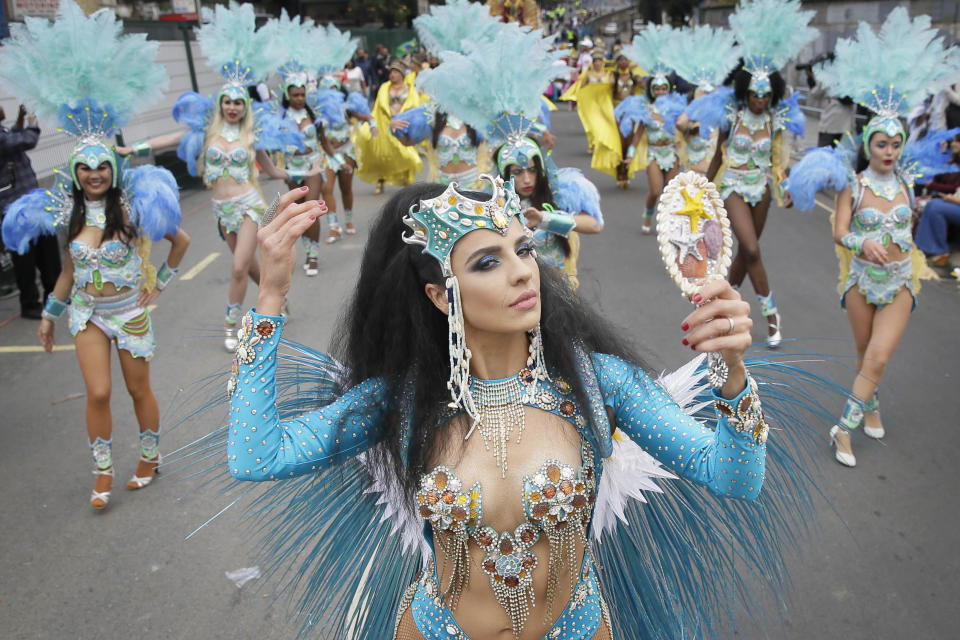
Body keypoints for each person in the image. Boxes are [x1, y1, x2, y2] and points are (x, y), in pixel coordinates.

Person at [0, 0, 189, 508]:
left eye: (100, 165)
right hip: (87, 315)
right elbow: (67, 271)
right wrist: (49, 317)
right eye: (84, 168)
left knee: (135, 391)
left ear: (112, 166)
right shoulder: (72, 214)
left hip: (130, 313)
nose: (93, 174)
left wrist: (157, 289)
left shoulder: (135, 205)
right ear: (76, 172)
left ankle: (149, 456)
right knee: (99, 394)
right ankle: (102, 473)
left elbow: (182, 242)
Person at [783, 7, 958, 467]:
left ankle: (843, 428)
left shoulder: (908, 183)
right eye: (881, 144)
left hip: (900, 281)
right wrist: (863, 243)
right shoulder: (852, 185)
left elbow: (909, 227)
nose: (889, 152)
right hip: (861, 282)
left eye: (896, 144)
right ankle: (871, 404)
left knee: (877, 359)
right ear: (868, 145)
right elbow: (841, 231)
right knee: (865, 356)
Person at [117, 2, 303, 351]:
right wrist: (134, 148)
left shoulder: (251, 135)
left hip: (250, 205)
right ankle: (278, 297)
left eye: (238, 102)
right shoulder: (206, 131)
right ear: (220, 104)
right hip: (222, 211)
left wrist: (295, 172)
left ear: (245, 106)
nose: (232, 106)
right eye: (227, 101)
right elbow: (169, 138)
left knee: (235, 268)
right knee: (246, 265)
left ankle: (232, 327)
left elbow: (271, 169)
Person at [691, 0, 815, 348]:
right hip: (732, 186)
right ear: (745, 91)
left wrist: (785, 186)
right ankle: (771, 313)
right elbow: (717, 155)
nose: (760, 100)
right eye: (754, 94)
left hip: (761, 190)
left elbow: (779, 160)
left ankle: (720, 307)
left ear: (772, 93)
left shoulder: (776, 121)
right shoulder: (731, 116)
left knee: (747, 255)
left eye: (765, 95)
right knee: (752, 248)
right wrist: (702, 186)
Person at [0, 103, 60, 318]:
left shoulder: (3, 131)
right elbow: (27, 140)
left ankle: (55, 296)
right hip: (14, 207)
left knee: (48, 250)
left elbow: (13, 133)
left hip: (31, 201)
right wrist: (33, 124)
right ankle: (30, 304)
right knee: (25, 258)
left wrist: (20, 118)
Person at [354, 60, 423, 195]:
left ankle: (407, 180)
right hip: (385, 124)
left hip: (403, 126)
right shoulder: (385, 87)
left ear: (402, 74)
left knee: (406, 154)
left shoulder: (410, 89)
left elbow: (415, 106)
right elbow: (379, 106)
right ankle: (381, 181)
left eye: (396, 72)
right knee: (382, 155)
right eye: (391, 71)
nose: (392, 74)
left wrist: (404, 117)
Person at [915, 134, 960, 265]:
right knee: (929, 205)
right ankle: (924, 248)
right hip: (953, 200)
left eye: (957, 142)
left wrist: (952, 200)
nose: (953, 144)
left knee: (934, 206)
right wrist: (943, 153)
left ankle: (940, 250)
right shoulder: (952, 161)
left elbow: (953, 188)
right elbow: (938, 175)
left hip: (955, 201)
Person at [804, 64, 856, 148]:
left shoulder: (829, 76)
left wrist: (810, 78)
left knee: (823, 149)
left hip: (831, 117)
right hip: (845, 119)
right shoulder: (849, 75)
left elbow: (816, 93)